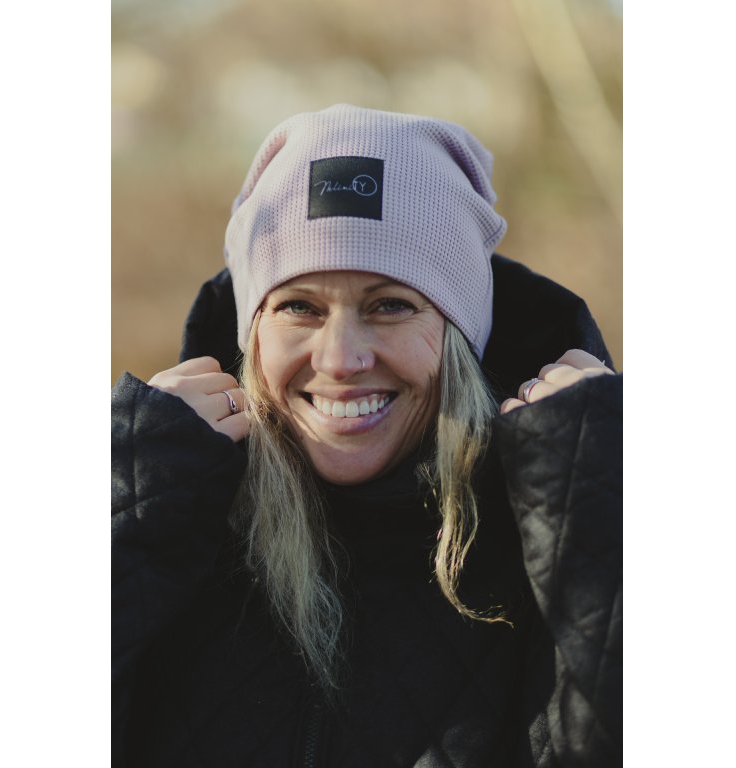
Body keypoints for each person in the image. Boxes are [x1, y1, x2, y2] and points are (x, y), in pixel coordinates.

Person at [112, 104, 622, 767]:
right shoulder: (172, 519)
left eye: (390, 306)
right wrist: (130, 504)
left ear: (461, 336)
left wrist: (600, 504)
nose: (340, 359)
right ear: (252, 333)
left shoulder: (552, 533)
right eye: (299, 306)